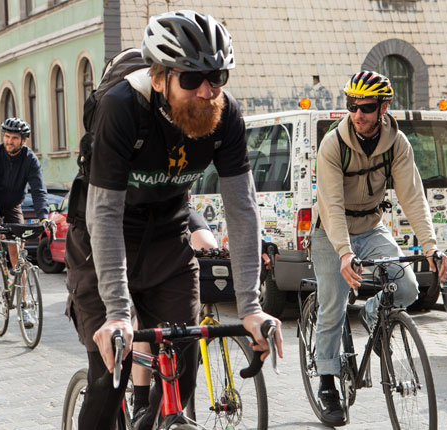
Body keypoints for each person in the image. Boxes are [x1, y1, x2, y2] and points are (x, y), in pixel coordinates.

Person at [64, 10, 283, 430]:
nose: (206, 91)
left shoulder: (226, 116)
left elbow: (242, 208)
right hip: (102, 243)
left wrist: (252, 306)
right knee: (112, 373)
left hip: (168, 240)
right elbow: (104, 215)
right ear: (160, 76)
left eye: (217, 77)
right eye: (191, 79)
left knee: (180, 372)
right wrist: (117, 312)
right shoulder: (122, 109)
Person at [311, 70, 447, 427]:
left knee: (406, 286)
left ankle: (374, 316)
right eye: (352, 106)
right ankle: (327, 381)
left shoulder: (397, 143)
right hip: (331, 232)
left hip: (371, 226)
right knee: (333, 304)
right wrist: (343, 252)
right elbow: (331, 204)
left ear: (384, 107)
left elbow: (413, 197)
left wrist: (432, 247)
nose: (358, 113)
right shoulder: (333, 145)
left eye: (367, 107)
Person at [131, 208, 218, 423]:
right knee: (144, 320)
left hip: (176, 209)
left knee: (210, 248)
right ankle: (140, 401)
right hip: (134, 225)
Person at [0, 117, 49, 326]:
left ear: (23, 141)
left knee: (18, 252)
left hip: (13, 206)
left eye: (14, 138)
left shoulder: (30, 160)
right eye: (7, 137)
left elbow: (38, 189)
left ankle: (24, 305)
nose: (9, 141)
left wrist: (44, 216)